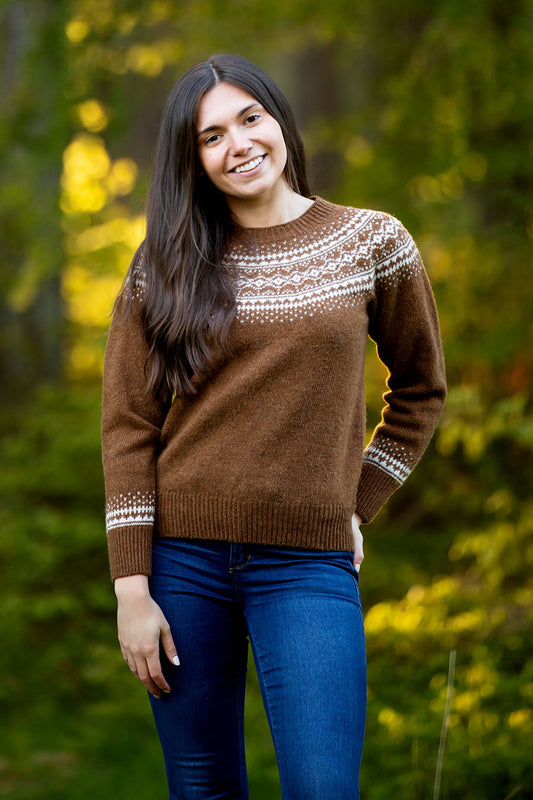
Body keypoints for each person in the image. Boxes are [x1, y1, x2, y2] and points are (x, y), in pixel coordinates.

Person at [101, 53, 446, 800]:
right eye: (210, 136)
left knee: (324, 787)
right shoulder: (163, 264)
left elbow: (420, 392)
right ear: (191, 159)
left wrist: (353, 503)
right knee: (203, 787)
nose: (239, 145)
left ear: (278, 120)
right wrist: (132, 587)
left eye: (249, 119)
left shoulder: (372, 242)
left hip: (307, 564)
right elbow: (129, 425)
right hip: (180, 562)